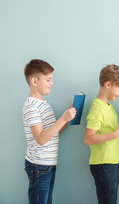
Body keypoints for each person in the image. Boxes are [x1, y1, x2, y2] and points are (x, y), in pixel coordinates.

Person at [23, 59, 76, 204]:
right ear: (35, 81)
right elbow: (41, 139)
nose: (51, 83)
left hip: (47, 164)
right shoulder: (31, 107)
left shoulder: (44, 104)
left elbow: (53, 133)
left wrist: (66, 117)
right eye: (48, 80)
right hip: (39, 166)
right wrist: (63, 118)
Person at [83, 64, 119, 204]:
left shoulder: (108, 106)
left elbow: (111, 133)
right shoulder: (97, 109)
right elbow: (88, 138)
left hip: (112, 163)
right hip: (104, 165)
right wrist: (115, 134)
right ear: (108, 84)